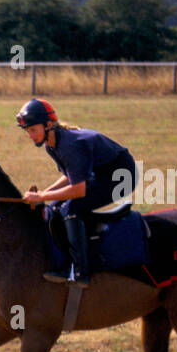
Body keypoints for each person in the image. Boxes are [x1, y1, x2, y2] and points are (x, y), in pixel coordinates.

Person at [17, 99, 136, 287]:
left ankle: (81, 270)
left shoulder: (69, 146)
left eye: (33, 130)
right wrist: (44, 193)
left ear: (48, 125)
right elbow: (70, 177)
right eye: (27, 131)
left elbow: (78, 190)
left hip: (122, 177)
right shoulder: (51, 145)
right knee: (55, 207)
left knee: (72, 208)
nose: (30, 135)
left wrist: (40, 197)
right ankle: (64, 260)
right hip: (101, 174)